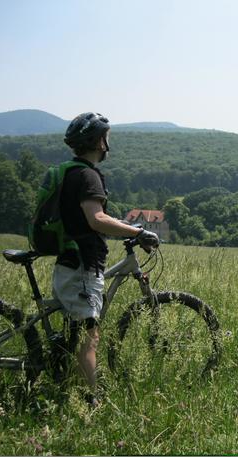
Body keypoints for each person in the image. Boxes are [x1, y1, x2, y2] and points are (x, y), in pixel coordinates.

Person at [54, 112, 159, 403]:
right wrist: (137, 233)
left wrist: (128, 227)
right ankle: (92, 401)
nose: (108, 141)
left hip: (70, 263)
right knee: (91, 338)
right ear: (99, 141)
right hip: (82, 268)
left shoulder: (71, 171)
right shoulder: (88, 175)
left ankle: (66, 382)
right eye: (106, 136)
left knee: (77, 333)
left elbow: (95, 215)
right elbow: (96, 218)